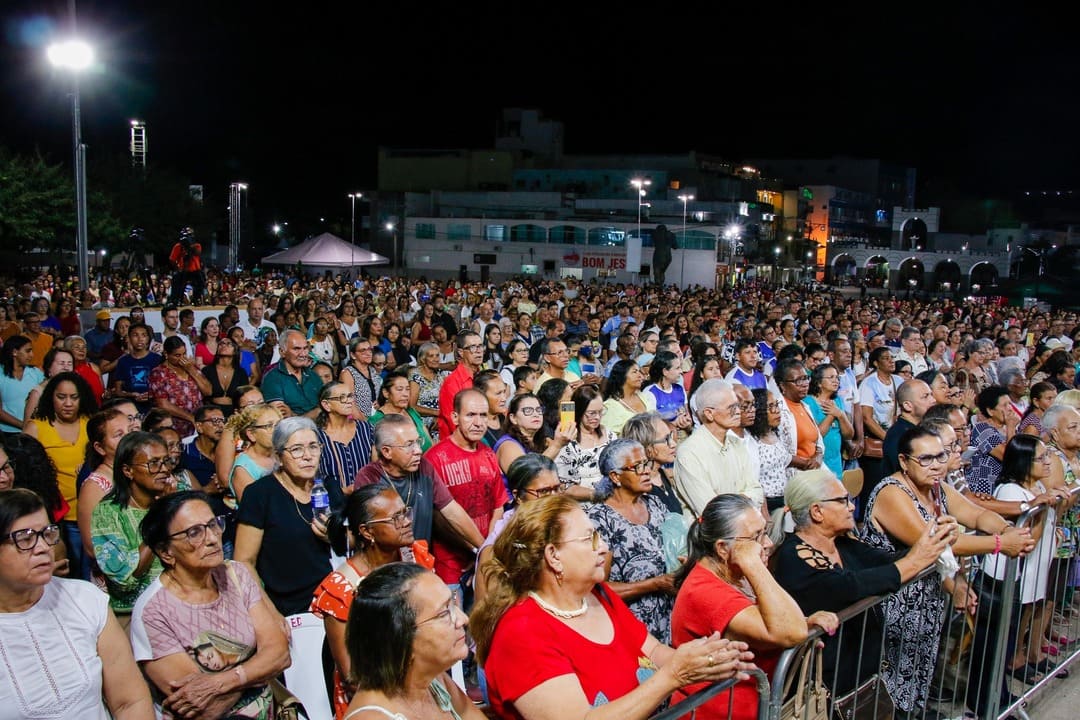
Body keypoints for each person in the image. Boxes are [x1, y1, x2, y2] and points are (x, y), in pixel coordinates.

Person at [473, 495, 754, 720]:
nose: (605, 547)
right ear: (553, 556)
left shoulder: (599, 594)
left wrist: (706, 660)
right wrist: (673, 676)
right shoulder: (521, 632)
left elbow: (652, 650)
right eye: (590, 539)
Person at [861, 427, 1030, 715]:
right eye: (925, 459)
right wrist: (1001, 543)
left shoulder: (936, 486)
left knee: (919, 676)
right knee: (892, 685)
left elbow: (975, 513)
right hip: (893, 603)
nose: (936, 464)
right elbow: (938, 546)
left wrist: (1004, 527)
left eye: (941, 455)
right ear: (904, 461)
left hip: (928, 599)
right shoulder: (891, 492)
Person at [772, 469, 952, 696]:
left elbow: (886, 563)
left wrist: (934, 538)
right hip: (824, 686)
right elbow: (851, 586)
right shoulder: (793, 557)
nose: (850, 507)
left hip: (861, 676)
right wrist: (918, 559)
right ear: (817, 511)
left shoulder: (844, 544)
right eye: (842, 501)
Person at [670, 493, 838, 720]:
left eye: (765, 532)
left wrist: (804, 622)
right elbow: (792, 632)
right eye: (757, 536)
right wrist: (752, 562)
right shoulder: (705, 591)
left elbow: (772, 622)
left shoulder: (734, 573)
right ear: (722, 548)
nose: (767, 543)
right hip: (713, 713)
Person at [131, 490, 290, 719]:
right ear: (166, 552)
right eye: (194, 532)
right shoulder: (153, 612)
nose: (213, 538)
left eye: (213, 524)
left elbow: (280, 654)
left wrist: (220, 682)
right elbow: (200, 707)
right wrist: (257, 668)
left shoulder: (236, 574)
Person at [0, 487, 154, 719]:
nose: (43, 548)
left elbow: (129, 702)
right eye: (25, 538)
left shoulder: (86, 600)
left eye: (47, 533)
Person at [311, 482, 430, 719]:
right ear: (367, 532)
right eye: (396, 518)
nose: (407, 521)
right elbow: (353, 678)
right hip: (376, 701)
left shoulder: (413, 557)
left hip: (425, 683)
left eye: (406, 512)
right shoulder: (341, 591)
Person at [339, 562, 486, 720]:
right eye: (444, 613)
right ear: (400, 640)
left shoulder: (434, 679)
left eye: (453, 604)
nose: (463, 619)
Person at [235, 416, 332, 617]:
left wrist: (334, 536)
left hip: (333, 598)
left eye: (314, 447)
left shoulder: (328, 486)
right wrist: (269, 613)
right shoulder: (260, 494)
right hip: (288, 608)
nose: (308, 456)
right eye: (296, 449)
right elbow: (244, 562)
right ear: (279, 456)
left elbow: (352, 541)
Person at [587, 438, 675, 643]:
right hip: (631, 627)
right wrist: (653, 584)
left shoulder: (654, 504)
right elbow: (597, 589)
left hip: (669, 618)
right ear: (616, 476)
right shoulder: (600, 520)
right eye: (637, 466)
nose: (646, 471)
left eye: (646, 463)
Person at [425, 389, 509, 599]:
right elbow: (438, 518)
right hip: (451, 567)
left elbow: (498, 505)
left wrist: (486, 551)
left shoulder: (488, 453)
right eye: (471, 415)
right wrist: (478, 550)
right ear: (455, 417)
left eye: (483, 415)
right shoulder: (435, 458)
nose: (479, 422)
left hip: (486, 560)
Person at [92, 432, 179, 624]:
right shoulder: (108, 513)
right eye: (153, 463)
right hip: (134, 616)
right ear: (128, 470)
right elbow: (125, 578)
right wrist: (161, 513)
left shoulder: (177, 502)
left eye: (166, 461)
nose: (164, 469)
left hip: (179, 607)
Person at [26, 371, 96, 567]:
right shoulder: (36, 427)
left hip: (90, 511)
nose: (68, 403)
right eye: (61, 397)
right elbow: (25, 471)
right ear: (51, 397)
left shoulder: (91, 423)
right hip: (55, 515)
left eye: (74, 397)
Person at [674, 378, 764, 517]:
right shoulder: (689, 452)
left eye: (738, 406)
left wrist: (734, 501)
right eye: (732, 407)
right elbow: (711, 510)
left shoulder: (737, 444)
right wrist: (744, 498)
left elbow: (757, 492)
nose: (738, 412)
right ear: (709, 413)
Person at [76, 408, 131, 578]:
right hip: (116, 577)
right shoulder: (95, 487)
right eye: (119, 434)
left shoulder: (135, 474)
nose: (128, 439)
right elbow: (93, 547)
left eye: (131, 431)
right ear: (100, 448)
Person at [315, 381, 376, 511]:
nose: (349, 401)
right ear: (326, 405)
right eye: (342, 397)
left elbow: (377, 468)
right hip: (334, 507)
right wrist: (342, 491)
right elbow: (314, 478)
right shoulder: (316, 437)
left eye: (350, 396)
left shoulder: (366, 429)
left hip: (367, 502)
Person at [554, 384, 617, 497]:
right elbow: (565, 487)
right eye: (592, 413)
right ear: (579, 411)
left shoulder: (610, 435)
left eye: (600, 411)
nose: (597, 417)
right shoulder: (567, 441)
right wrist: (597, 495)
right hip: (583, 504)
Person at [226, 403, 282, 504]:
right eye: (269, 426)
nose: (276, 430)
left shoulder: (282, 454)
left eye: (278, 425)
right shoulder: (243, 470)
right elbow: (254, 510)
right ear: (251, 434)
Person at [969, 386, 1020, 495]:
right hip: (985, 490)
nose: (1010, 408)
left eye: (1010, 404)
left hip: (1006, 488)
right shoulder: (981, 429)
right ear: (990, 411)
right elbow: (1008, 457)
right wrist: (1011, 428)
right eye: (1004, 405)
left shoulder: (1010, 428)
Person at [261, 330, 324, 419]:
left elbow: (327, 406)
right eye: (296, 349)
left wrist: (294, 415)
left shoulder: (313, 375)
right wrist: (316, 413)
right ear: (282, 352)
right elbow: (281, 418)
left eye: (305, 348)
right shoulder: (272, 378)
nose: (303, 354)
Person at [370, 370, 434, 453]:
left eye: (407, 389)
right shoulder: (376, 420)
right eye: (399, 389)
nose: (405, 394)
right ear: (386, 393)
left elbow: (431, 444)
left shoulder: (412, 413)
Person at [437, 331, 485, 440]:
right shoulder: (452, 383)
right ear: (461, 352)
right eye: (472, 347)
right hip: (458, 443)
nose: (479, 351)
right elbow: (455, 423)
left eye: (480, 346)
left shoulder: (484, 375)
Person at [111, 323, 163, 416]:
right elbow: (118, 392)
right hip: (131, 410)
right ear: (129, 338)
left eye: (144, 335)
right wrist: (131, 395)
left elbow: (164, 388)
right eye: (135, 335)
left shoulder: (157, 359)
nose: (140, 339)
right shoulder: (123, 361)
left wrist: (151, 395)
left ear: (148, 339)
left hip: (154, 410)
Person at [21, 345, 75, 431]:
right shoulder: (38, 393)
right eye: (61, 363)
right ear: (49, 367)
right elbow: (27, 427)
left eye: (69, 363)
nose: (66, 367)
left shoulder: (76, 389)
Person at [0, 336, 45, 435]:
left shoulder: (35, 373)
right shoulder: (0, 374)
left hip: (34, 431)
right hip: (7, 433)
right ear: (14, 352)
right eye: (28, 351)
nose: (32, 355)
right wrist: (23, 425)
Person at [602, 359, 657, 436]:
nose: (640, 376)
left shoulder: (645, 396)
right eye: (635, 372)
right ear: (622, 376)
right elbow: (609, 438)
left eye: (639, 372)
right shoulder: (610, 407)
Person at [202, 337, 249, 416]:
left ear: (235, 350)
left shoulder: (240, 372)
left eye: (228, 344)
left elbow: (244, 396)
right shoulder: (207, 370)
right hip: (212, 413)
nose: (224, 346)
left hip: (234, 413)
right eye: (221, 344)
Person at [340, 336, 382, 420]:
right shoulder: (348, 373)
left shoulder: (373, 370)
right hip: (359, 421)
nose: (368, 353)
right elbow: (350, 404)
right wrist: (366, 424)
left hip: (377, 417)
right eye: (363, 350)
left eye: (369, 349)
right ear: (353, 355)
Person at [168, 227, 203, 305]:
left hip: (195, 269)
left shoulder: (197, 245)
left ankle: (196, 299)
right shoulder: (178, 246)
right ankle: (176, 300)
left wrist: (189, 246)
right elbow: (172, 259)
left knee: (200, 284)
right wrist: (177, 268)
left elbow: (197, 252)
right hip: (183, 269)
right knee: (178, 283)